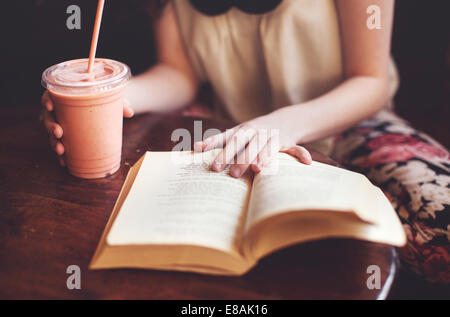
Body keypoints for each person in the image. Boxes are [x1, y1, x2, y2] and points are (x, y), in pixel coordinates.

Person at [42, 0, 449, 283]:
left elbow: (370, 80)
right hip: (229, 130)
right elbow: (178, 73)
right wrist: (111, 100)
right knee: (121, 215)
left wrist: (282, 125)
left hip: (351, 122)